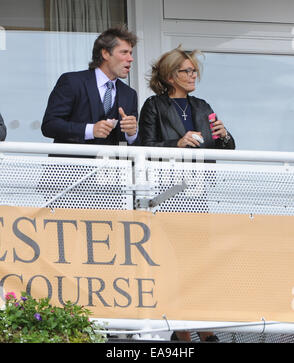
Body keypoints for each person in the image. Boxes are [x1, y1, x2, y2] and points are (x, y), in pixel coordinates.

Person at [139, 46, 236, 342]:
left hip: (197, 193)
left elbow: (225, 149)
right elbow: (144, 147)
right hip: (168, 194)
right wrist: (176, 145)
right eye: (186, 70)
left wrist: (225, 135)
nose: (193, 75)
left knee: (198, 263)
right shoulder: (154, 105)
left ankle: (202, 327)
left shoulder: (203, 106)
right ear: (170, 76)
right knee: (174, 264)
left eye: (194, 70)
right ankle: (183, 332)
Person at [42, 26, 139, 149]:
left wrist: (131, 134)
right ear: (105, 53)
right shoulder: (72, 82)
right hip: (72, 166)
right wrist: (90, 130)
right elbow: (49, 126)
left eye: (130, 53)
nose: (130, 59)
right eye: (124, 52)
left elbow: (132, 144)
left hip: (112, 167)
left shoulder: (130, 94)